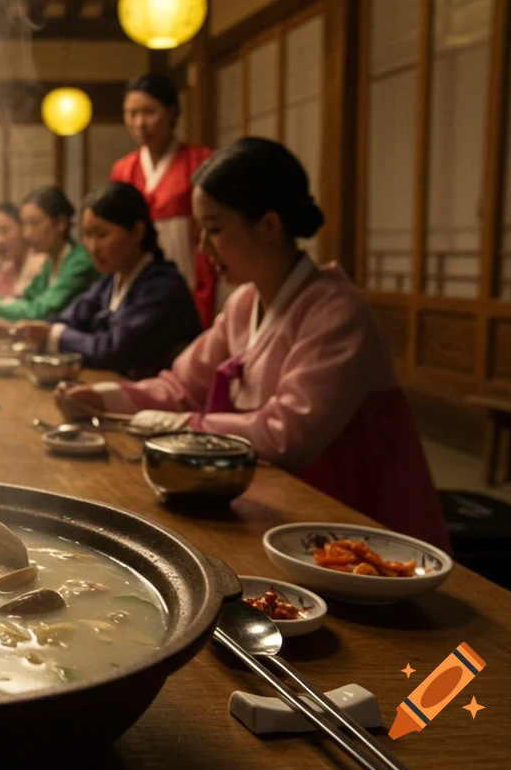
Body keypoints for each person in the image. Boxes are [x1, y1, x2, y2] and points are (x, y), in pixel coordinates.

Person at [54, 138, 450, 549]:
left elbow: (285, 435)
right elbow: (182, 386)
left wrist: (174, 424)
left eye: (215, 229)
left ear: (269, 226)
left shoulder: (336, 312)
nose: (203, 248)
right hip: (275, 503)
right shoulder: (246, 301)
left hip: (351, 519)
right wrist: (101, 399)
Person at [9, 183, 200, 378]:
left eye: (101, 235)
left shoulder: (162, 288)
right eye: (87, 235)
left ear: (137, 232)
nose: (92, 247)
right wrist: (35, 329)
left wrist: (52, 334)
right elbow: (72, 317)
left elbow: (115, 350)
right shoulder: (110, 282)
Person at [112, 73, 217, 326]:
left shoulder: (200, 161)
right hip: (141, 283)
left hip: (190, 276)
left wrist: (205, 293)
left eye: (149, 112)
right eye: (131, 114)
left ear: (171, 111)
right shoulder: (123, 169)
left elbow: (211, 232)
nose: (139, 123)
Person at [0, 186, 98, 325]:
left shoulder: (79, 261)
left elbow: (41, 311)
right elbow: (26, 299)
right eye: (24, 225)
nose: (27, 234)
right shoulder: (50, 263)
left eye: (34, 224)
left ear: (60, 223)